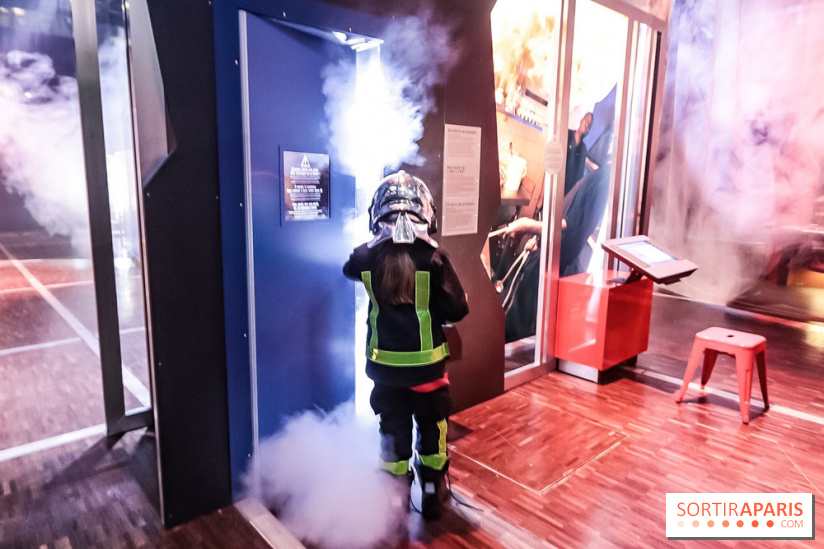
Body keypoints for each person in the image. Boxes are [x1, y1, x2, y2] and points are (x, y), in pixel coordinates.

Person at [343, 170, 469, 521]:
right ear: (426, 213)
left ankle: (395, 501)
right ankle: (431, 494)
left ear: (377, 213)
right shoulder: (435, 259)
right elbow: (459, 309)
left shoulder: (364, 259)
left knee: (392, 435)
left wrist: (384, 245)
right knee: (433, 432)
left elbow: (349, 267)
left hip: (385, 374)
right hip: (428, 373)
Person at [565, 112, 593, 195]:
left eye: (590, 126)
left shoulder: (583, 149)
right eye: (586, 120)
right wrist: (541, 197)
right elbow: (551, 164)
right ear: (581, 121)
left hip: (565, 197)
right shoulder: (566, 134)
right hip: (551, 189)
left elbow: (578, 178)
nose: (587, 125)